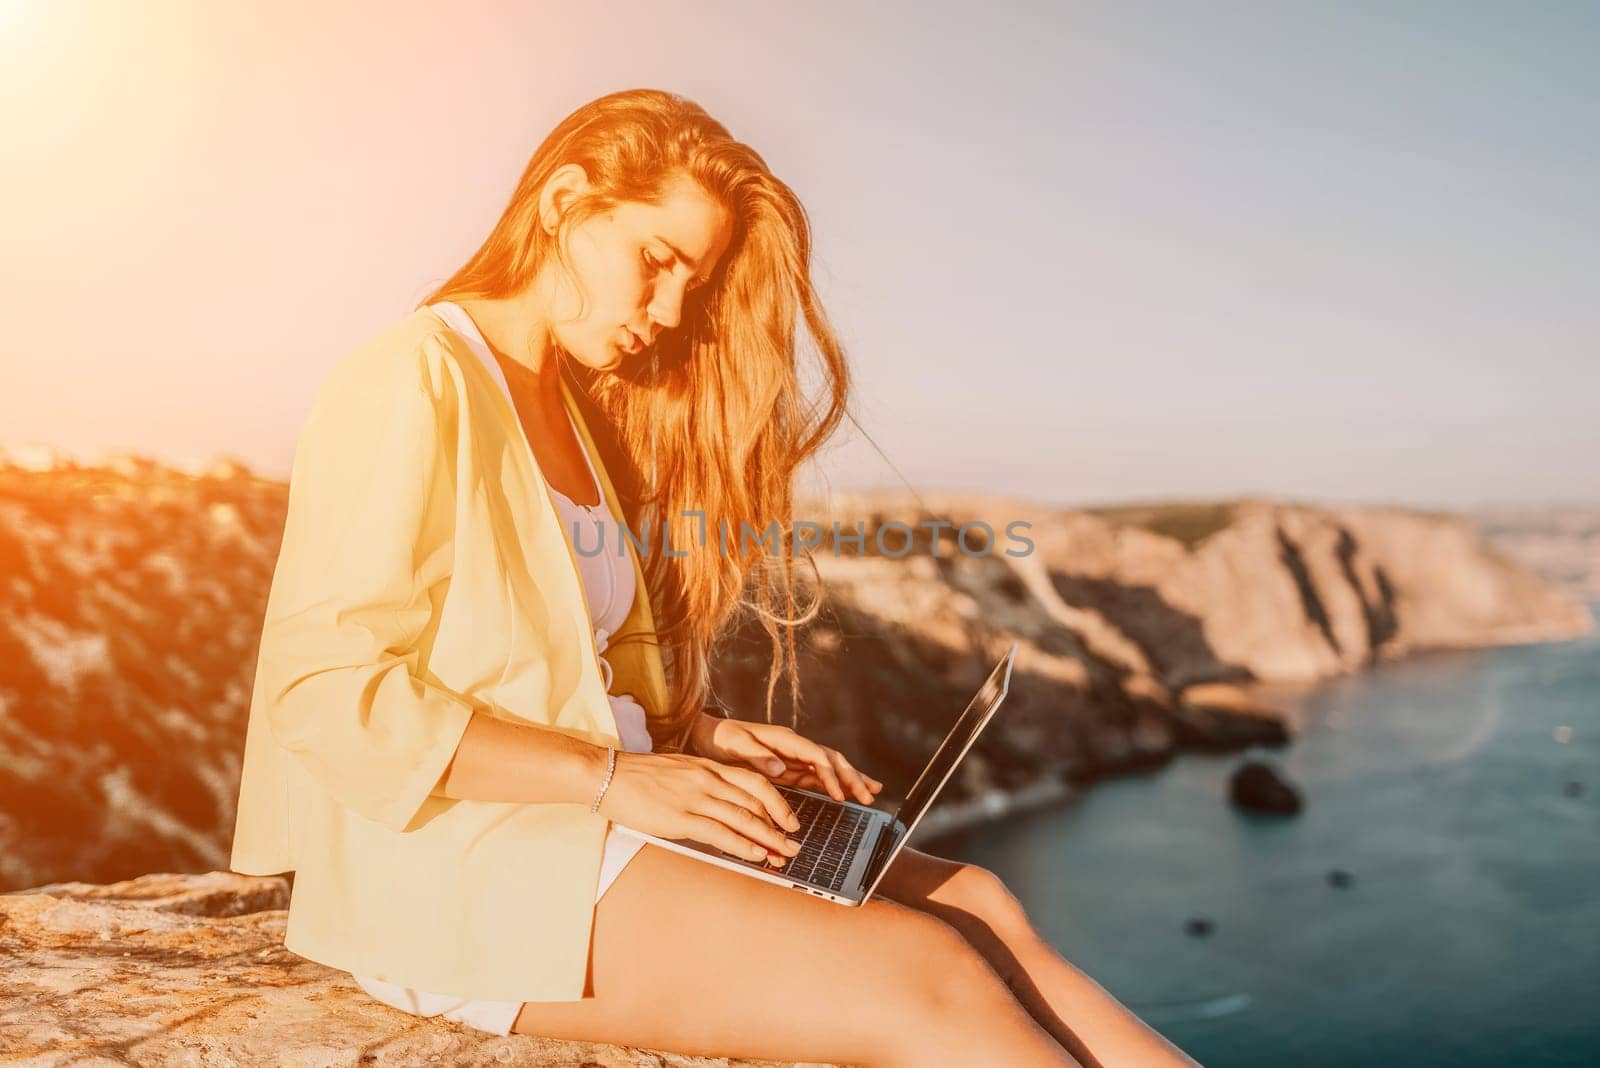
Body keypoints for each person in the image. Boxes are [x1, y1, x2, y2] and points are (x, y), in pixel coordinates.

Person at [230, 88, 1198, 1068]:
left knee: (976, 903)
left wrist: (701, 740)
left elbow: (559, 668)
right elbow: (324, 693)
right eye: (654, 262)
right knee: (924, 973)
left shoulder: (573, 411)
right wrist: (615, 779)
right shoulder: (413, 376)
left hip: (591, 816)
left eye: (688, 286)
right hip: (468, 862)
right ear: (563, 202)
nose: (666, 312)